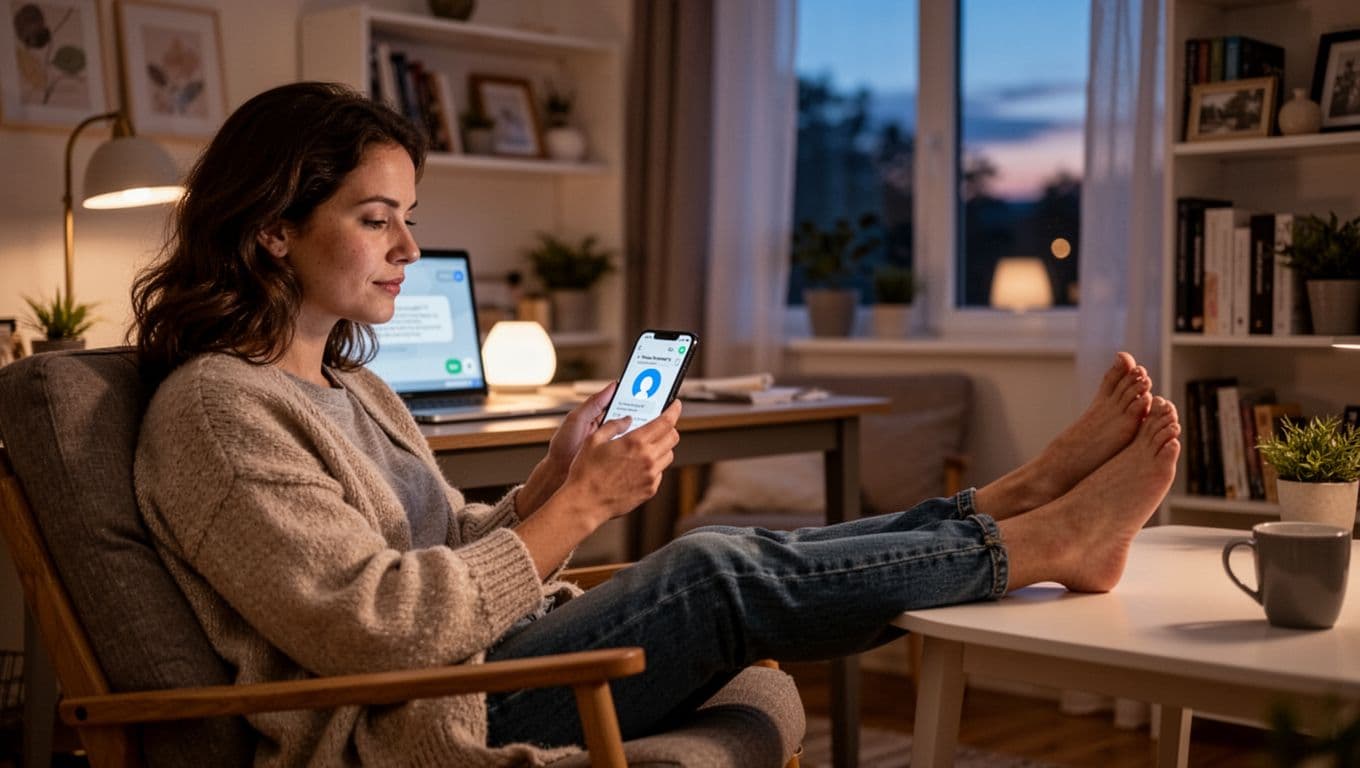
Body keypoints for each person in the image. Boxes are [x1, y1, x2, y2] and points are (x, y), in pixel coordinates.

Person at [131, 82, 1181, 767]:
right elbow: (382, 629)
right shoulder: (217, 413)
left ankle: (1005, 504)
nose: (407, 244)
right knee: (714, 569)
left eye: (412, 216)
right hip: (413, 720)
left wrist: (549, 481)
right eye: (375, 218)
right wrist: (584, 507)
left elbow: (443, 547)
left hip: (479, 657)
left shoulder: (351, 387)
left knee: (735, 558)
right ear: (272, 227)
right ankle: (1032, 537)